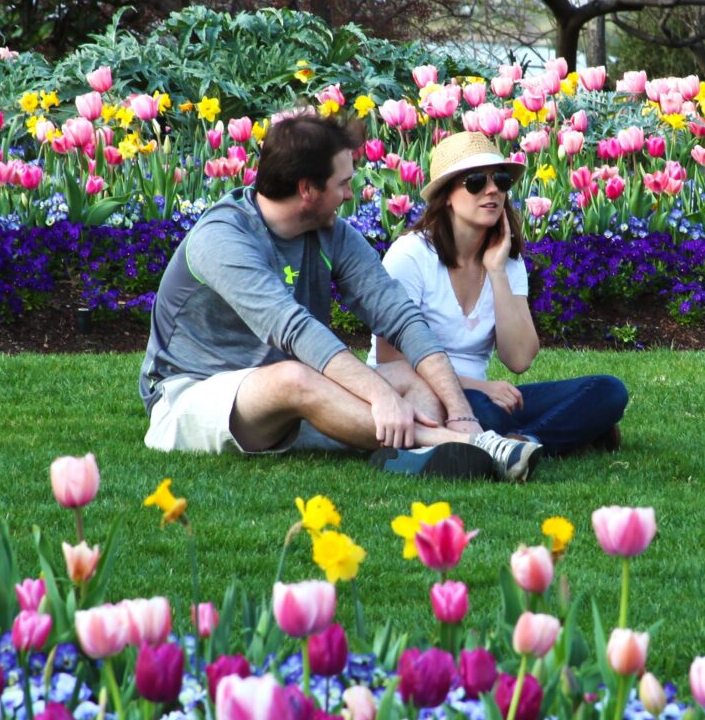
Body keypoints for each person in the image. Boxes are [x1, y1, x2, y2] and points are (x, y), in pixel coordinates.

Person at [139, 112, 542, 480]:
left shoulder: (334, 235)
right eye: (343, 183)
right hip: (190, 395)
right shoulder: (222, 239)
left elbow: (400, 318)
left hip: (298, 394)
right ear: (307, 189)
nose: (351, 194)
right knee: (294, 376)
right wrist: (380, 394)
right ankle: (471, 449)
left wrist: (461, 412)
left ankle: (420, 450)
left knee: (411, 374)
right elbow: (294, 330)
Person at [371, 132, 629, 454]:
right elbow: (390, 360)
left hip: (487, 396)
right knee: (489, 411)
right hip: (422, 393)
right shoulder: (411, 256)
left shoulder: (506, 261)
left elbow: (519, 358)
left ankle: (523, 442)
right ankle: (566, 431)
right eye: (476, 181)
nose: (492, 189)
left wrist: (496, 270)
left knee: (608, 390)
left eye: (501, 180)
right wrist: (480, 386)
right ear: (447, 195)